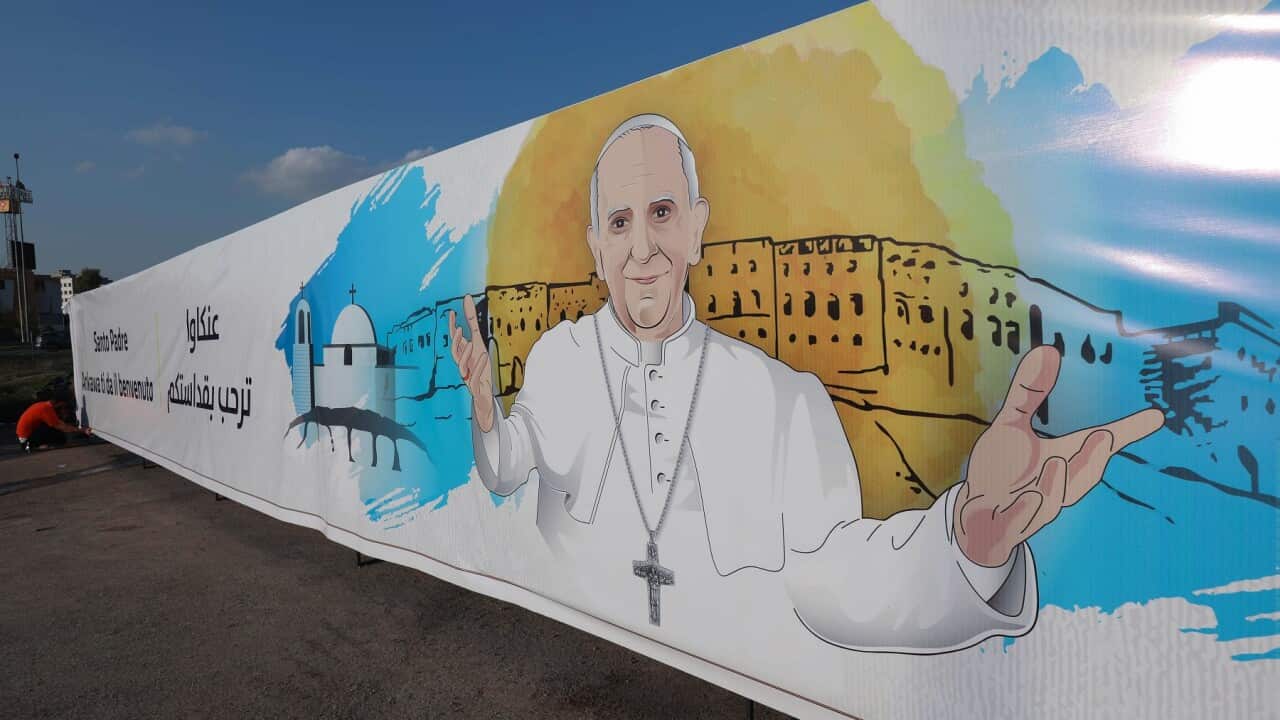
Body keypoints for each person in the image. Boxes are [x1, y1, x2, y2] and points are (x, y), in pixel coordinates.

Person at [446, 114, 1164, 653]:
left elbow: (836, 579)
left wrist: (966, 547)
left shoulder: (782, 401)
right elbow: (508, 469)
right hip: (558, 662)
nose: (642, 248)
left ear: (696, 229)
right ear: (596, 248)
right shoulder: (558, 358)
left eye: (662, 214)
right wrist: (485, 415)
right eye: (620, 222)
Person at [17, 398, 91, 452]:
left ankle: (36, 444)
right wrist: (82, 430)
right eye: (63, 407)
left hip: (25, 436)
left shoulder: (44, 405)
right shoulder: (46, 409)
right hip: (27, 440)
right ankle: (35, 446)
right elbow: (62, 427)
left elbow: (60, 423)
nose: (64, 410)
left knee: (55, 428)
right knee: (59, 436)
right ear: (59, 404)